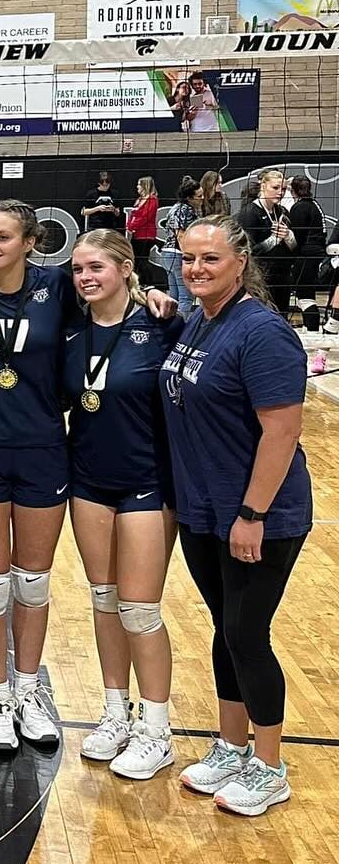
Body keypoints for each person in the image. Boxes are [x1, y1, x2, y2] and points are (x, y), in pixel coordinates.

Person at [0, 199, 174, 752]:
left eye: (1, 237)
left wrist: (152, 293)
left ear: (30, 242)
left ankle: (27, 689)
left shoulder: (58, 288)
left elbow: (108, 299)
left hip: (44, 452)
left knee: (33, 581)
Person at [163, 215, 311, 816]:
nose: (196, 270)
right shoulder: (201, 317)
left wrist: (252, 513)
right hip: (205, 510)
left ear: (241, 262)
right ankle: (230, 744)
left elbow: (282, 431)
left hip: (258, 515)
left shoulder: (263, 332)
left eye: (210, 260)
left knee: (249, 635)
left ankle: (269, 765)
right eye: (188, 260)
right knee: (227, 629)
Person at [64, 230, 183, 780]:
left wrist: (160, 299)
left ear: (126, 268)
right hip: (88, 482)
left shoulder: (160, 325)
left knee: (140, 608)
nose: (86, 278)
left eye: (96, 268)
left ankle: (157, 730)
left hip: (146, 484)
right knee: (104, 598)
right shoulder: (70, 332)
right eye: (78, 270)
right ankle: (116, 713)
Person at [236, 169, 295, 316]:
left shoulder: (282, 212)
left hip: (282, 275)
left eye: (283, 189)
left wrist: (288, 237)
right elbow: (248, 250)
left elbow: (294, 248)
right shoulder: (249, 213)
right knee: (263, 316)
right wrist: (273, 240)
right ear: (263, 186)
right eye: (275, 188)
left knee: (282, 316)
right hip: (260, 277)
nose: (280, 192)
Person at [285, 176, 327, 330]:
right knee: (307, 293)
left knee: (304, 294)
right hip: (316, 253)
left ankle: (311, 327)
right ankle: (312, 326)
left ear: (293, 190)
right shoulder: (315, 204)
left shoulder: (300, 208)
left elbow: (298, 236)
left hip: (306, 256)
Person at [158, 178, 203, 317]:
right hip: (177, 254)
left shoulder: (176, 207)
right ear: (189, 197)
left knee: (174, 296)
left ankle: (170, 324)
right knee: (186, 296)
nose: (202, 198)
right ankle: (182, 329)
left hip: (167, 253)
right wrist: (188, 258)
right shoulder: (186, 210)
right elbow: (181, 235)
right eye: (199, 196)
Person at [125, 176, 159, 287]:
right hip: (136, 234)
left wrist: (133, 225)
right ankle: (137, 283)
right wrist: (129, 225)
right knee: (135, 259)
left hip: (146, 235)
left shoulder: (152, 200)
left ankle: (148, 282)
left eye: (139, 184)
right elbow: (133, 214)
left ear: (145, 185)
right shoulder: (139, 200)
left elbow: (145, 217)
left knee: (143, 259)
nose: (137, 187)